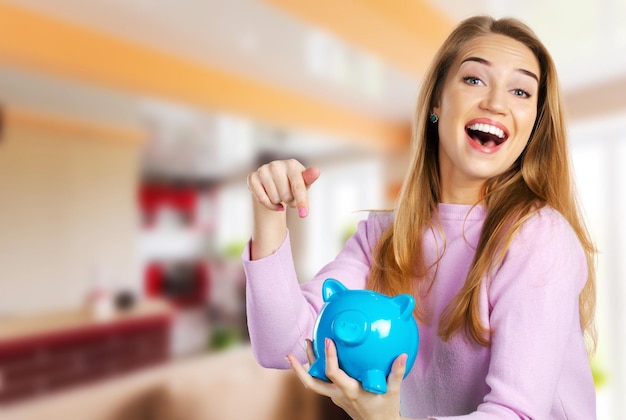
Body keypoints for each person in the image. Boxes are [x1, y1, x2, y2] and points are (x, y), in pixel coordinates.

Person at [243, 15, 597, 420]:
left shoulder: (538, 236)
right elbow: (282, 345)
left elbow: (516, 414)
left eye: (520, 91)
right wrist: (269, 214)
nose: (496, 103)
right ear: (436, 102)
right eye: (474, 80)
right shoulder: (381, 236)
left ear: (533, 125)